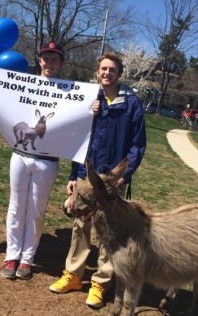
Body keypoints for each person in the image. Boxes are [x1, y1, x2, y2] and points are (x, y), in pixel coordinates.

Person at [49, 51, 146, 309]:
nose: (107, 73)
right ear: (97, 72)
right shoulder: (89, 99)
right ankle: (72, 275)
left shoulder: (131, 103)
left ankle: (100, 284)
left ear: (119, 74)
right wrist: (74, 175)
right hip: (87, 175)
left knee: (109, 231)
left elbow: (137, 145)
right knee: (81, 225)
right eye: (103, 69)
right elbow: (78, 140)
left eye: (112, 70)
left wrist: (125, 174)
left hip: (113, 180)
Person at [0, 42, 65, 280]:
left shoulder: (70, 92)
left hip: (47, 161)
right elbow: (3, 99)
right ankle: (11, 255)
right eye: (46, 59)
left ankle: (27, 259)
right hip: (20, 156)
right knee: (16, 207)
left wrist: (92, 108)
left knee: (37, 212)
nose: (49, 63)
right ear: (39, 61)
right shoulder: (24, 85)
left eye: (55, 60)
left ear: (61, 64)